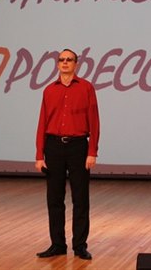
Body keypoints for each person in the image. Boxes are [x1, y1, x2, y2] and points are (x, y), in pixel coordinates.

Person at [34, 49, 101, 261]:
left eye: (69, 60)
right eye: (61, 60)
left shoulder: (86, 88)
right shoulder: (49, 90)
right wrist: (39, 154)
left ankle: (80, 245)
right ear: (57, 64)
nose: (65, 63)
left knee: (80, 198)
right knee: (54, 198)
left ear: (76, 64)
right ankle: (57, 244)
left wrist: (92, 151)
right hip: (53, 146)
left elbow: (94, 121)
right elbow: (42, 122)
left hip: (78, 147)